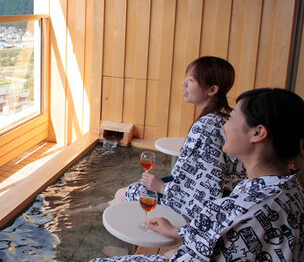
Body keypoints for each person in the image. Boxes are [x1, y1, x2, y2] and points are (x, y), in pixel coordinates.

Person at [93, 88, 304, 261]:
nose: (225, 126)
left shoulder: (246, 210)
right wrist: (179, 232)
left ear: (257, 133)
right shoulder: (287, 188)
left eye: (231, 118)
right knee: (170, 251)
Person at [113, 56, 246, 222]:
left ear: (212, 90)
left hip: (203, 207)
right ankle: (98, 209)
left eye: (190, 81)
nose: (183, 85)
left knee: (122, 195)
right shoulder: (225, 114)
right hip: (222, 195)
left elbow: (206, 192)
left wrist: (161, 187)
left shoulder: (208, 125)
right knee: (127, 192)